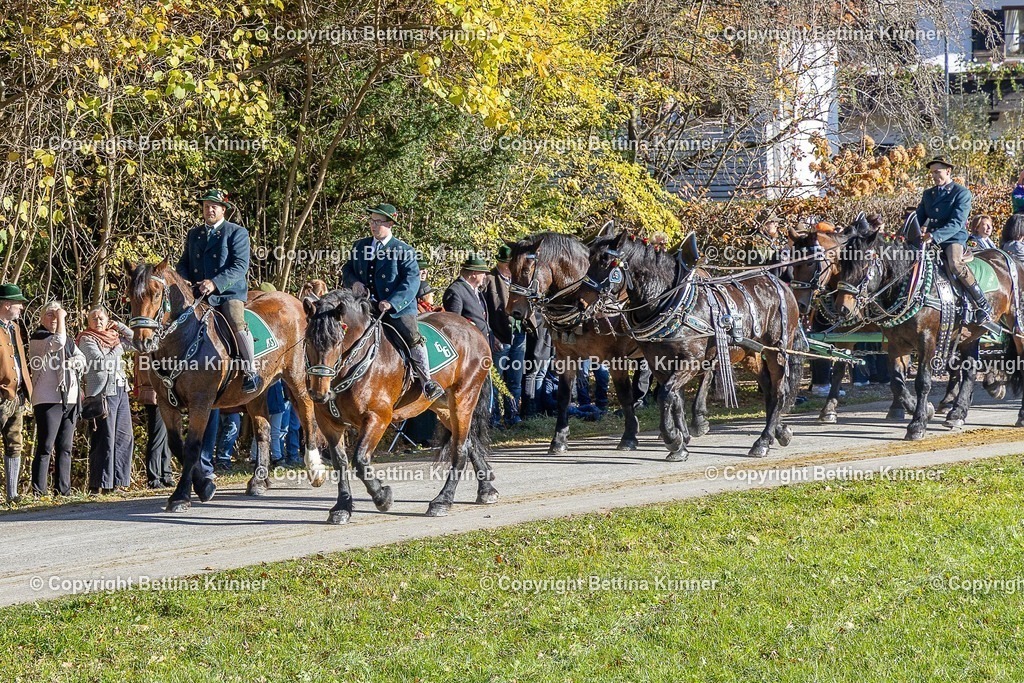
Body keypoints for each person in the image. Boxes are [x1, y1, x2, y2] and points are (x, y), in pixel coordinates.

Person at [342, 203, 443, 401]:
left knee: (412, 335)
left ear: (390, 224)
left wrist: (392, 302)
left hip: (397, 308)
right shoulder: (360, 246)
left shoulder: (404, 250)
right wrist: (354, 283)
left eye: (378, 222)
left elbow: (412, 281)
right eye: (371, 221)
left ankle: (426, 381)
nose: (373, 225)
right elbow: (347, 270)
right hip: (364, 305)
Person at [176, 188, 261, 394]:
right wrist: (184, 279)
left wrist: (214, 283)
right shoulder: (194, 234)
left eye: (214, 206)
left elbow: (240, 265)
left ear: (223, 209)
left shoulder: (236, 233)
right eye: (206, 206)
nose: (209, 209)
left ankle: (251, 370)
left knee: (236, 321)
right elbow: (183, 264)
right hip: (197, 292)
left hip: (227, 292)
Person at [916, 156, 992, 324]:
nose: (934, 176)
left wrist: (934, 236)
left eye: (937, 172)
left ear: (948, 171)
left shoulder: (962, 193)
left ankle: (982, 304)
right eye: (932, 173)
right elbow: (917, 218)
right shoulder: (928, 194)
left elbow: (957, 223)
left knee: (955, 264)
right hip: (931, 238)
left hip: (953, 238)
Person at [28, 301, 86, 496]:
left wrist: (73, 361)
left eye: (57, 315)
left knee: (66, 447)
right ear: (42, 318)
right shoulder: (38, 338)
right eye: (50, 315)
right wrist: (62, 316)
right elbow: (58, 342)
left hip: (69, 397)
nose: (54, 319)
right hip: (47, 398)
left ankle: (63, 490)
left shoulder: (68, 340)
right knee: (45, 445)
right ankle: (39, 491)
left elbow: (82, 359)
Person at [78, 307, 135, 493]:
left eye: (101, 318)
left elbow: (138, 341)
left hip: (120, 389)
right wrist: (118, 348)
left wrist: (119, 326)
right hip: (102, 393)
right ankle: (99, 484)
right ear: (89, 322)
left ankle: (117, 483)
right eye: (93, 319)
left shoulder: (113, 335)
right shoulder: (87, 339)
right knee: (105, 438)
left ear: (107, 319)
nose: (98, 321)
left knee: (123, 437)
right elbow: (100, 363)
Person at [484, 245, 525, 427]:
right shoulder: (488, 279)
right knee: (496, 381)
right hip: (499, 335)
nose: (508, 267)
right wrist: (491, 335)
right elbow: (482, 312)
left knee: (515, 380)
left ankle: (513, 415)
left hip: (519, 334)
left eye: (510, 263)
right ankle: (493, 418)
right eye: (505, 263)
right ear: (499, 262)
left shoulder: (520, 278)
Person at [0, 284, 32, 503]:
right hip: (1, 395)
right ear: (6, 304)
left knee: (15, 443)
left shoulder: (14, 328)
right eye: (18, 303)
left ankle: (12, 494)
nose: (21, 307)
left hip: (17, 394)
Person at [134, 354, 175, 488]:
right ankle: (154, 477)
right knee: (157, 435)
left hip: (167, 393)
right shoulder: (148, 348)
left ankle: (166, 473)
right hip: (157, 393)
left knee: (168, 435)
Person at [443, 254, 491, 338]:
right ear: (474, 273)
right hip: (469, 345)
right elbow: (454, 324)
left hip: (481, 343)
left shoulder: (476, 290)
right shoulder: (455, 291)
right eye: (483, 273)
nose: (485, 276)